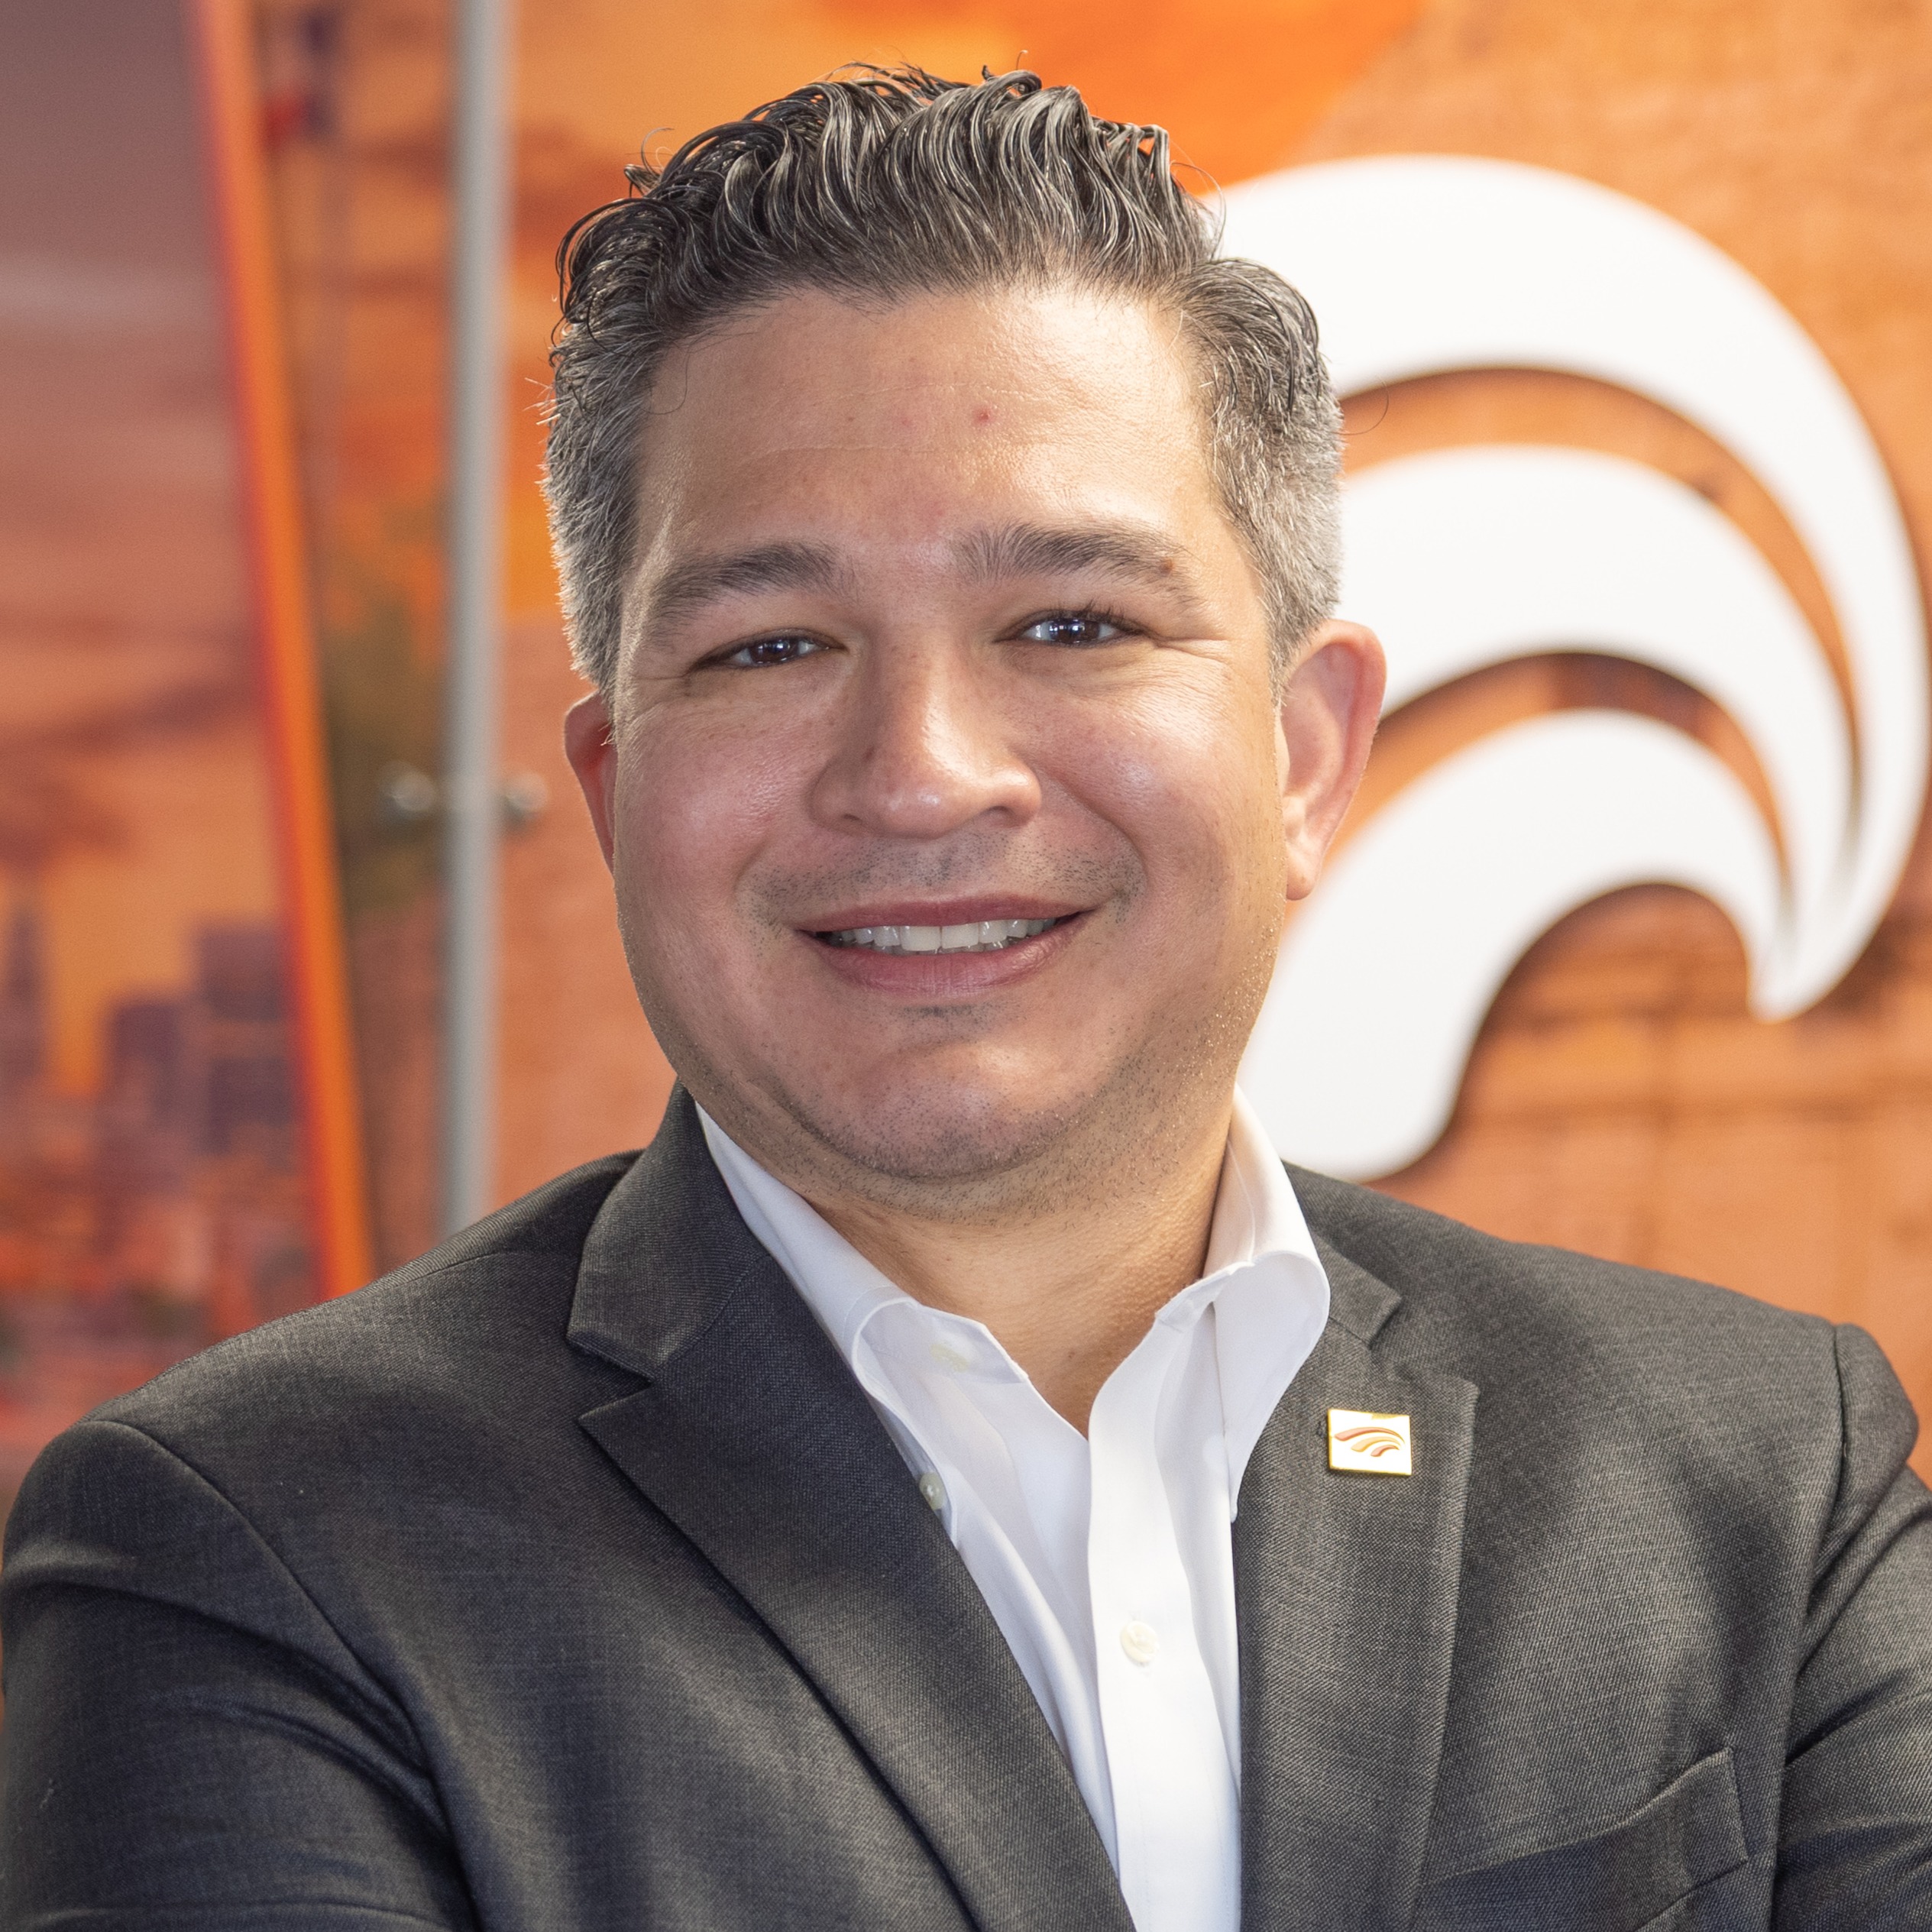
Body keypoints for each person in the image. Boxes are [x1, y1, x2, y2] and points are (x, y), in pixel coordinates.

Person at [5, 64, 1930, 1932]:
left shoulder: (1762, 1476)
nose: (920, 772)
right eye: (769, 644)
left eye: (1072, 623)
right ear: (614, 793)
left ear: (1305, 755)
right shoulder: (247, 1554)